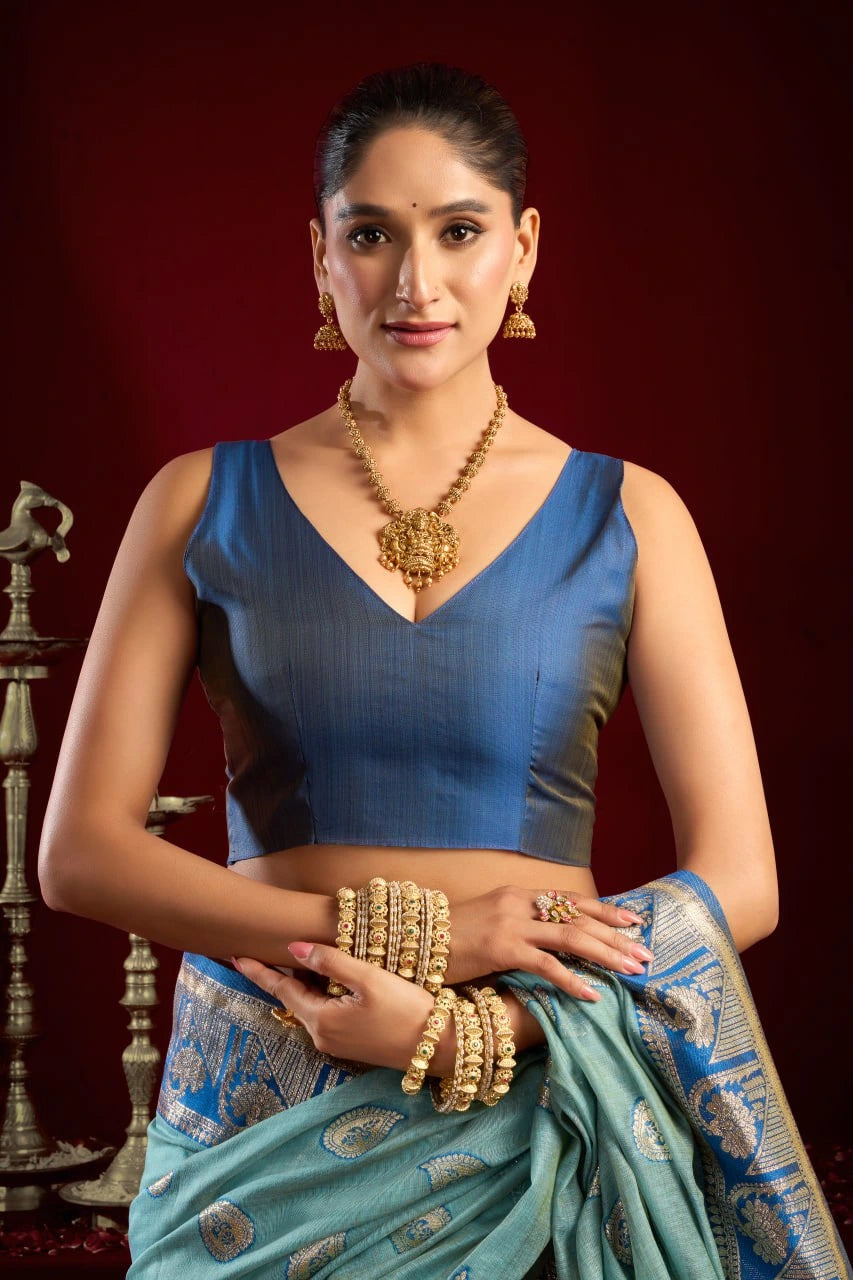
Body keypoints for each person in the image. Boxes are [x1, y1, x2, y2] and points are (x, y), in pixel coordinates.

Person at [38, 61, 849, 1280]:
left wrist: (488, 1019)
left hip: (539, 1092)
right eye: (370, 234)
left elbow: (742, 876)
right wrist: (389, 938)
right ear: (321, 258)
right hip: (269, 1104)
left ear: (521, 249)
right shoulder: (198, 500)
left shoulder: (631, 514)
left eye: (458, 231)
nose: (414, 283)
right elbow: (79, 854)